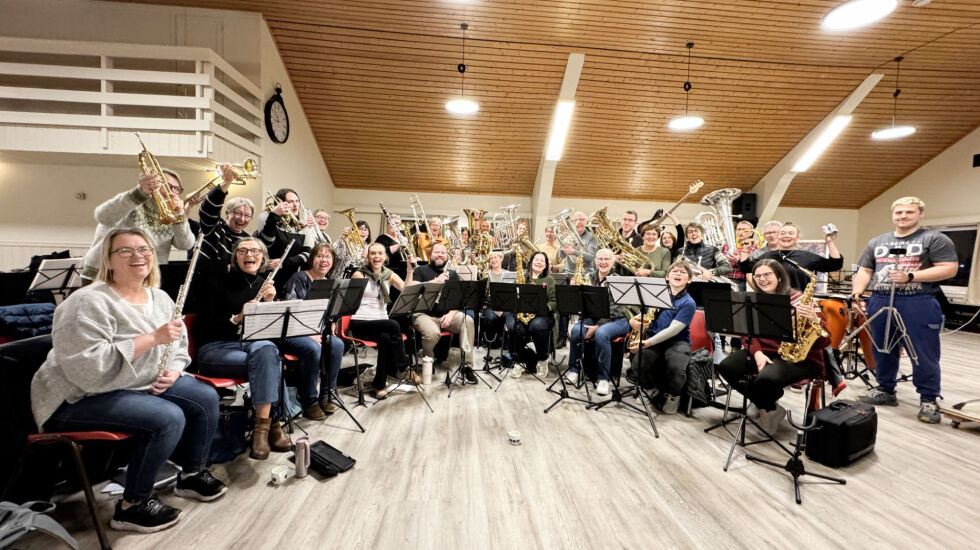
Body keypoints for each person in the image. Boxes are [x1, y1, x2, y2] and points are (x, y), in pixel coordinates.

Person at [32, 228, 226, 533]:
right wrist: (152, 339)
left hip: (136, 383)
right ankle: (131, 506)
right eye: (125, 250)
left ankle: (191, 474)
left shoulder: (159, 297)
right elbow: (87, 368)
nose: (138, 256)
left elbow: (178, 345)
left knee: (204, 397)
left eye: (144, 249)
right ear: (107, 260)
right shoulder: (86, 302)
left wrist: (174, 369)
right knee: (168, 417)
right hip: (77, 395)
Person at [194, 238, 322, 459]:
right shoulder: (216, 282)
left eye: (255, 251)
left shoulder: (264, 284)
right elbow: (202, 327)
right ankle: (271, 427)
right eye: (243, 250)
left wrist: (270, 304)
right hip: (216, 348)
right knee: (269, 358)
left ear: (262, 257)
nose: (248, 255)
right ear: (236, 256)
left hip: (251, 347)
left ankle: (263, 428)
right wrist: (237, 318)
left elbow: (268, 334)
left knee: (267, 350)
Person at [852, 197, 957, 423]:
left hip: (918, 300)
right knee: (882, 347)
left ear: (920, 214)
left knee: (922, 351)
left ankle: (928, 399)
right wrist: (857, 294)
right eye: (899, 212)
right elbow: (865, 270)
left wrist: (911, 276)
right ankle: (885, 389)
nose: (903, 216)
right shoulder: (877, 242)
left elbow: (949, 269)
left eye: (909, 212)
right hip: (880, 298)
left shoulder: (934, 239)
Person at [716, 260, 829, 434]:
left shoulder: (802, 300)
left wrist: (815, 320)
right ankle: (769, 407)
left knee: (766, 378)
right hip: (765, 351)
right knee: (726, 367)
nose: (762, 279)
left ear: (779, 276)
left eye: (767, 274)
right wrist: (758, 353)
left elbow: (825, 341)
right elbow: (746, 334)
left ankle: (761, 402)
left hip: (801, 359)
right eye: (758, 276)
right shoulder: (754, 300)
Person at [81, 168, 196, 280]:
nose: (172, 191)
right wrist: (139, 192)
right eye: (167, 186)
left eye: (177, 188)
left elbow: (185, 244)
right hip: (104, 275)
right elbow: (103, 216)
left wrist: (179, 216)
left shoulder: (171, 214)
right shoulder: (132, 202)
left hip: (142, 279)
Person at [283, 243, 345, 414]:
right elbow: (290, 312)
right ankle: (309, 399)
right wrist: (309, 333)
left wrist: (333, 320)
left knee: (337, 344)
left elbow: (333, 311)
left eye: (328, 257)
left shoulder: (331, 284)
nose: (323, 260)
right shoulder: (299, 278)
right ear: (312, 259)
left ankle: (326, 394)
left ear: (333, 262)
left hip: (317, 332)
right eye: (319, 256)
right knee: (312, 348)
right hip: (293, 331)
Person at [628, 261, 696, 413]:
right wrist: (634, 320)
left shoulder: (689, 302)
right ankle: (651, 390)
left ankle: (674, 397)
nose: (678, 274)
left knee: (676, 368)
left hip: (677, 342)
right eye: (675, 271)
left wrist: (648, 342)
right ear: (667, 276)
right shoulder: (657, 294)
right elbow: (646, 314)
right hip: (653, 339)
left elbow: (674, 329)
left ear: (689, 280)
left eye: (683, 272)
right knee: (638, 363)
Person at [348, 242, 414, 398]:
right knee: (393, 324)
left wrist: (410, 271)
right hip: (360, 322)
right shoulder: (359, 274)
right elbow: (349, 302)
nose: (376, 256)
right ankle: (402, 366)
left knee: (385, 339)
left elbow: (407, 291)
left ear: (385, 257)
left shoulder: (389, 274)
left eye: (380, 253)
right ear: (368, 256)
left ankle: (379, 386)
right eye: (373, 253)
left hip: (381, 324)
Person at [406, 242, 477, 382]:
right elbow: (410, 287)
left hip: (446, 315)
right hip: (423, 314)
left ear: (446, 256)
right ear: (430, 255)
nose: (440, 255)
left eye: (443, 252)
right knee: (433, 333)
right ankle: (428, 360)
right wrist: (435, 281)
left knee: (468, 321)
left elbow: (459, 299)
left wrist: (451, 314)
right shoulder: (420, 270)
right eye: (436, 252)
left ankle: (467, 366)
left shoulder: (452, 274)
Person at [565, 249, 630, 396]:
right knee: (575, 330)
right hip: (593, 318)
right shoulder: (589, 277)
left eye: (607, 259)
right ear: (595, 262)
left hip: (617, 320)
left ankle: (603, 379)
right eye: (600, 259)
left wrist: (597, 326)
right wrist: (575, 290)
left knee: (601, 334)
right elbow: (581, 304)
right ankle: (574, 370)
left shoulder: (619, 280)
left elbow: (618, 310)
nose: (603, 262)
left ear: (612, 262)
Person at [739, 222, 843, 291]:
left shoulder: (807, 256)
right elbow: (746, 267)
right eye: (783, 233)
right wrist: (744, 249)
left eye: (790, 233)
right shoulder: (767, 255)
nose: (786, 236)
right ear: (778, 236)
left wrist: (830, 242)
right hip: (773, 302)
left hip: (799, 304)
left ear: (797, 237)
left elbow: (834, 265)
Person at [507, 251, 557, 378]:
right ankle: (520, 361)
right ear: (531, 262)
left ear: (546, 265)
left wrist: (545, 306)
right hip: (522, 313)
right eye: (536, 259)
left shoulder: (549, 280)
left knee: (537, 326)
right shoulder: (521, 277)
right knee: (515, 327)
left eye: (542, 261)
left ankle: (542, 359)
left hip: (542, 315)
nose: (539, 262)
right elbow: (511, 299)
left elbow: (554, 301)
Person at [196, 165, 254, 269]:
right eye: (238, 213)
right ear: (227, 213)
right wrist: (227, 182)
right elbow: (208, 209)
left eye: (247, 215)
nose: (242, 219)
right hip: (205, 280)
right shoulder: (215, 227)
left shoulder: (248, 240)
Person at [255, 188, 312, 291]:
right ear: (280, 203)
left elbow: (308, 254)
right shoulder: (266, 217)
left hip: (292, 278)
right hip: (268, 276)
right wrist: (274, 216)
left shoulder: (302, 225)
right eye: (290, 202)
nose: (295, 205)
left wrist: (284, 262)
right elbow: (266, 243)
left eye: (297, 201)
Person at [375, 213, 414, 282]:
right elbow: (383, 252)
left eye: (397, 223)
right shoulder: (382, 238)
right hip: (389, 272)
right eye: (392, 223)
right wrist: (399, 244)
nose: (394, 225)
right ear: (387, 225)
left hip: (405, 271)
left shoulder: (404, 238)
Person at [480, 250, 507, 345]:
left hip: (506, 305)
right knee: (491, 317)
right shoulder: (486, 274)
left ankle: (507, 342)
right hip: (491, 305)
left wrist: (502, 309)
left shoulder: (507, 274)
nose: (493, 260)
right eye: (491, 258)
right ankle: (492, 341)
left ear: (501, 259)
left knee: (509, 317)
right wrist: (496, 309)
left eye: (495, 257)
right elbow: (484, 295)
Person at [727, 220, 761, 290]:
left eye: (744, 230)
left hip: (739, 281)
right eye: (738, 229)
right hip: (723, 278)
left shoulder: (753, 246)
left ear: (751, 233)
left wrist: (739, 261)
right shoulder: (727, 244)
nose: (740, 232)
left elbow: (750, 265)